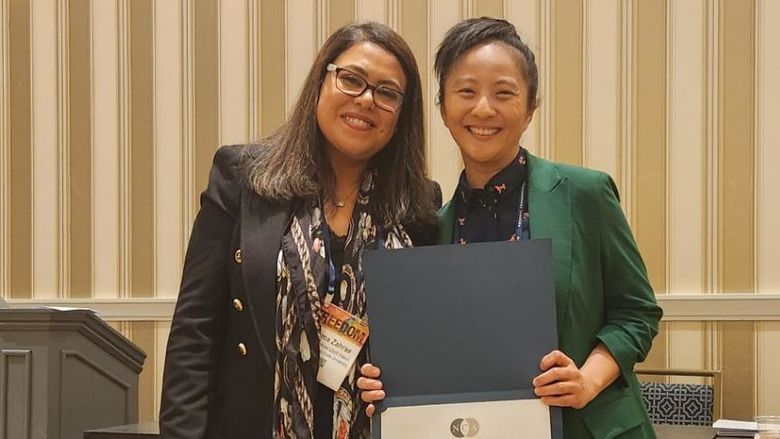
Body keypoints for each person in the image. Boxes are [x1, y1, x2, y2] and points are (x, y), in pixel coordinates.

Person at [358, 17, 662, 438]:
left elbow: (637, 312)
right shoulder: (430, 227)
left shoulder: (584, 194)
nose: (483, 108)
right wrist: (388, 380)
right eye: (466, 91)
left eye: (504, 92)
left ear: (530, 107)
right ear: (443, 108)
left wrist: (587, 380)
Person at [159, 22, 440, 439]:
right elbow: (195, 331)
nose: (366, 100)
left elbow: (424, 345)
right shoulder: (242, 177)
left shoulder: (417, 205)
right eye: (352, 80)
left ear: (402, 114)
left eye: (387, 93)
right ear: (321, 81)